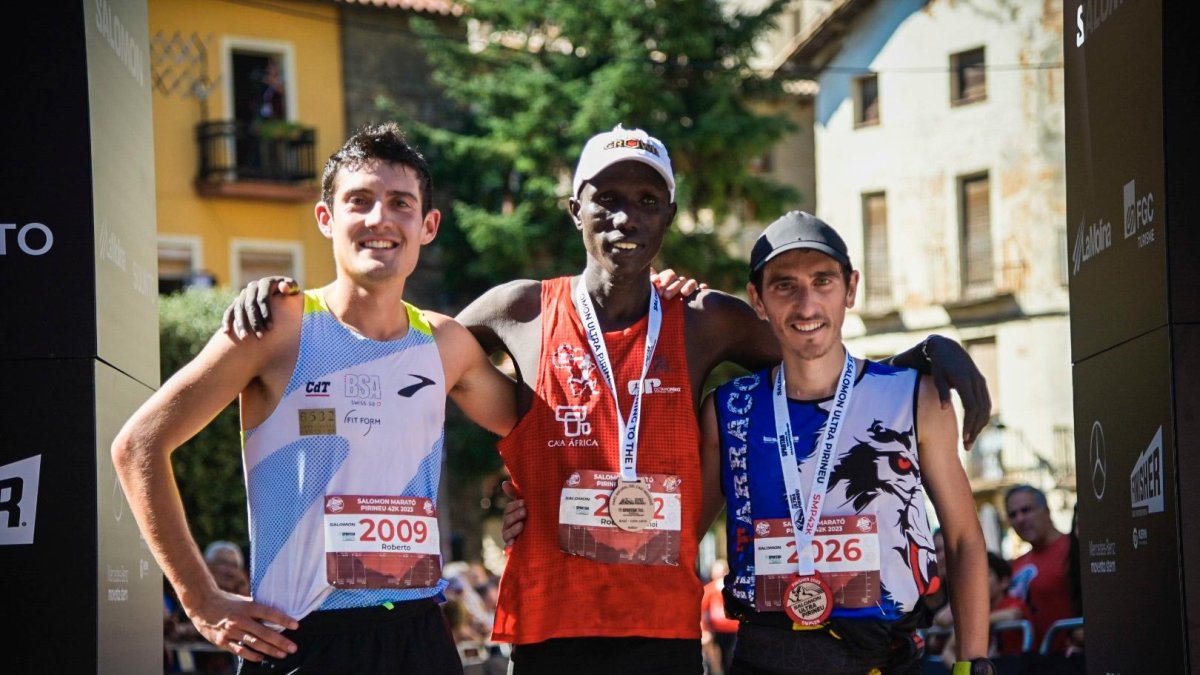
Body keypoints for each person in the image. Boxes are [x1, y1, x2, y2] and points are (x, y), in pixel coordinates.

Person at [225, 125, 992, 674]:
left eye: (647, 199)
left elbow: (817, 351)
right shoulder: (518, 308)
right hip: (548, 621)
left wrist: (917, 359)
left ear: (668, 215)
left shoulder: (706, 318)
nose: (626, 215)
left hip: (661, 626)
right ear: (575, 209)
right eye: (606, 199)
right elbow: (401, 344)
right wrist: (289, 297)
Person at [111, 122, 518, 674]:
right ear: (326, 219)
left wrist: (527, 502)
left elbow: (542, 428)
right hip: (300, 640)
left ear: (428, 225)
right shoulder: (277, 325)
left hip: (418, 635)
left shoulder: (447, 345)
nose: (379, 219)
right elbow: (137, 446)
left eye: (400, 203)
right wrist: (199, 599)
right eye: (359, 201)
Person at [702, 211, 993, 675]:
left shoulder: (914, 397)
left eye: (823, 281)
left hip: (884, 655)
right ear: (757, 299)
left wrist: (973, 663)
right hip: (769, 655)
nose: (807, 305)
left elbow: (962, 538)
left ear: (850, 289)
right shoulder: (728, 410)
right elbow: (683, 548)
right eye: (784, 286)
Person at [1004, 484, 1073, 654]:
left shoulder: (1074, 550)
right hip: (1030, 663)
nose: (1020, 519)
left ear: (1047, 510)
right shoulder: (1016, 565)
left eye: (1026, 510)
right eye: (1013, 514)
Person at [935, 551, 1032, 663]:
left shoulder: (1012, 603)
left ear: (1004, 582)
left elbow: (1012, 614)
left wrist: (973, 625)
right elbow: (947, 649)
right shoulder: (973, 611)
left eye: (985, 574)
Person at [701, 559, 738, 675]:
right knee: (716, 658)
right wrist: (705, 630)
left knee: (732, 658)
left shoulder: (734, 589)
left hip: (735, 631)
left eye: (722, 571)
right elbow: (702, 612)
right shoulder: (708, 590)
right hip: (717, 632)